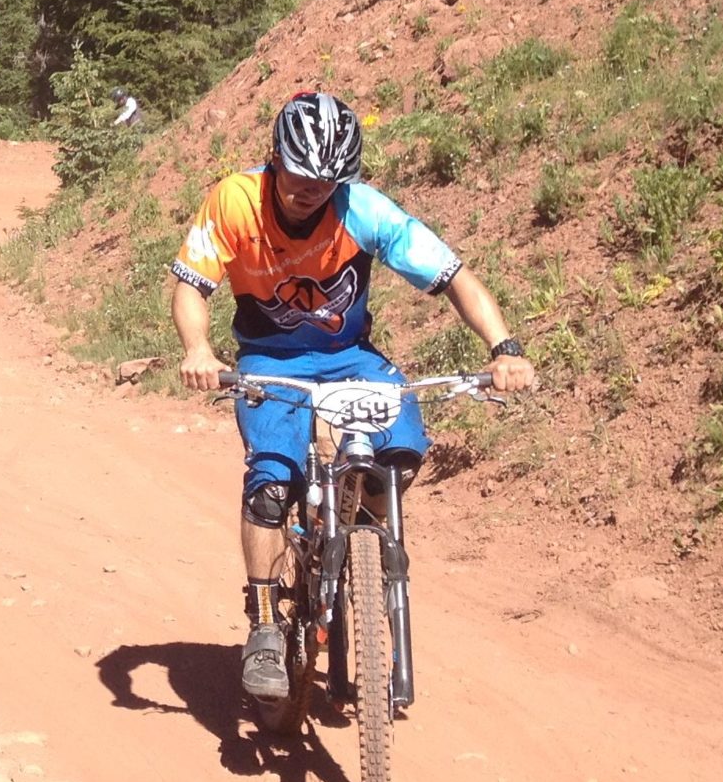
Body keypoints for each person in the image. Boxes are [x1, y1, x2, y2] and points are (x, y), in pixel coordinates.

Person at [168, 89, 537, 701]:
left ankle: (355, 541)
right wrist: (199, 351)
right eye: (299, 175)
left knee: (400, 452)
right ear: (275, 159)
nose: (310, 189)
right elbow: (191, 287)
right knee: (271, 485)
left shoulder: (363, 209)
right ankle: (264, 624)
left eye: (327, 180)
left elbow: (454, 277)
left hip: (353, 360)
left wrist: (504, 348)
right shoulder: (235, 201)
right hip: (271, 361)